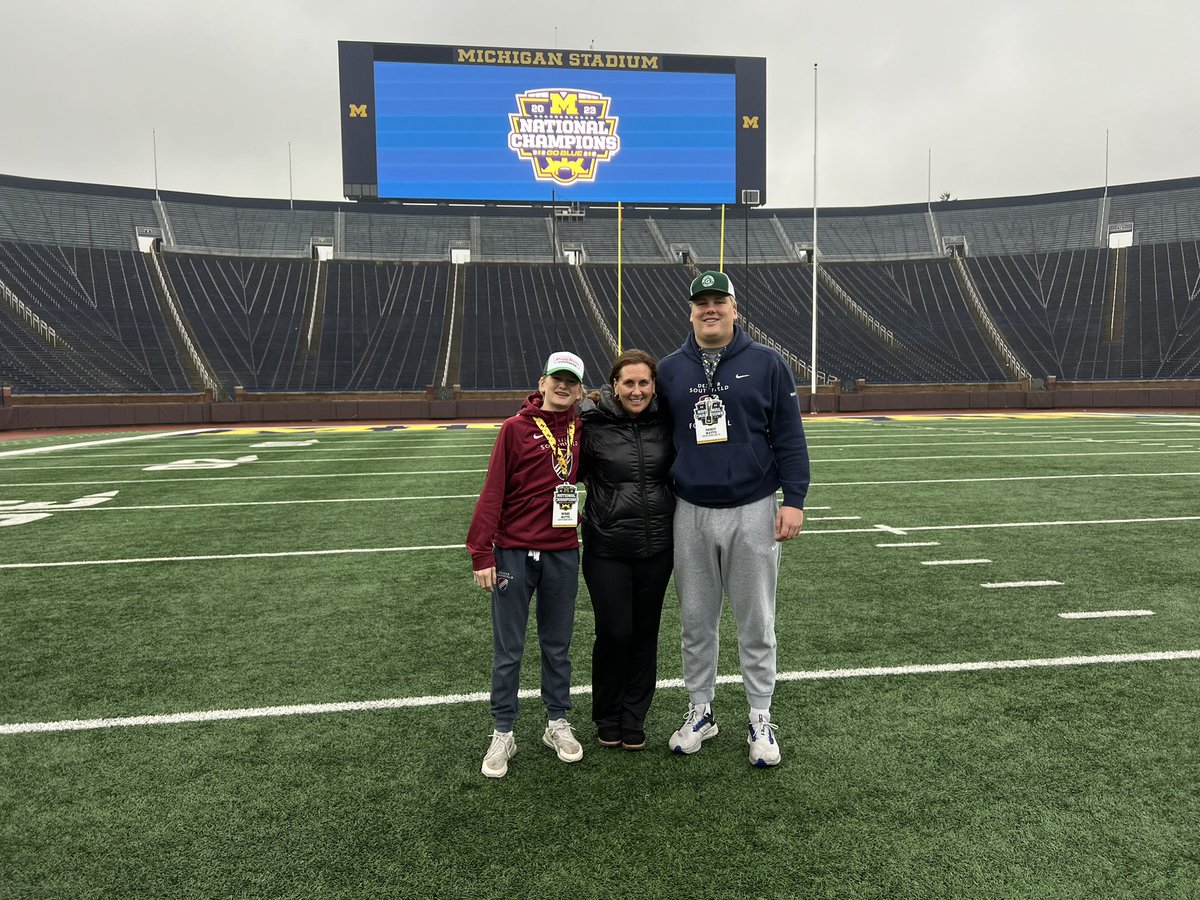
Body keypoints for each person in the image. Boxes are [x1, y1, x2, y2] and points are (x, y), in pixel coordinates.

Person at [656, 270, 810, 767]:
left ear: (735, 308)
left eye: (719, 301)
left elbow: (789, 435)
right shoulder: (670, 369)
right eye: (701, 302)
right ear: (691, 311)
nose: (710, 309)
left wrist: (795, 499)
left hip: (753, 507)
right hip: (691, 509)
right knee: (696, 619)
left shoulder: (767, 363)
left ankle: (760, 716)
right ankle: (701, 709)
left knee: (756, 620)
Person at [466, 351, 588, 778]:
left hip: (562, 551)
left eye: (571, 381)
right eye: (556, 378)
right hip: (514, 552)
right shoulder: (515, 429)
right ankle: (503, 730)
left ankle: (556, 722)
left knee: (557, 645)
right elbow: (493, 490)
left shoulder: (580, 430)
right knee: (509, 649)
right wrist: (482, 552)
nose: (562, 386)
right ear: (541, 383)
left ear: (579, 391)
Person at [579, 349, 675, 751]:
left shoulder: (667, 422)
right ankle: (607, 713)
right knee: (615, 632)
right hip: (607, 547)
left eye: (644, 383)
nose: (637, 391)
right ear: (614, 386)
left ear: (654, 386)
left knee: (644, 634)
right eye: (629, 383)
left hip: (657, 547)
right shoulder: (592, 425)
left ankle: (634, 716)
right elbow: (560, 464)